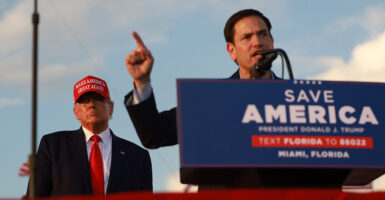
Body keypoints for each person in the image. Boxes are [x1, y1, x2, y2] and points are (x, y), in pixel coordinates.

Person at [124, 9, 277, 149]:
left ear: (272, 41)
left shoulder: (296, 97)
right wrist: (142, 81)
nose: (257, 42)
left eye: (263, 34)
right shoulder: (212, 99)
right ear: (232, 50)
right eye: (247, 37)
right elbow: (155, 134)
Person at [27, 75, 152, 197]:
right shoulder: (53, 147)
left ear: (111, 108)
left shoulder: (138, 157)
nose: (91, 104)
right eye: (84, 100)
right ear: (76, 112)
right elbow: (35, 195)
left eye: (97, 98)